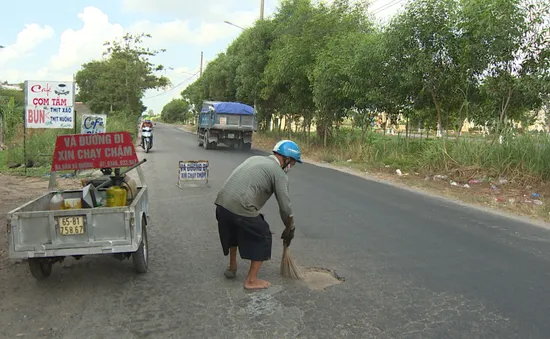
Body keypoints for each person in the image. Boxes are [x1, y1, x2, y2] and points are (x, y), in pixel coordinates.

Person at [214, 140, 302, 290]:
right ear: (286, 158)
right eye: (292, 162)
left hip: (221, 205)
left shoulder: (255, 158)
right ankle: (251, 280)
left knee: (234, 230)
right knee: (263, 235)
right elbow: (285, 207)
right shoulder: (279, 174)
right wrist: (290, 226)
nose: (292, 166)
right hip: (240, 208)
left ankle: (232, 267)